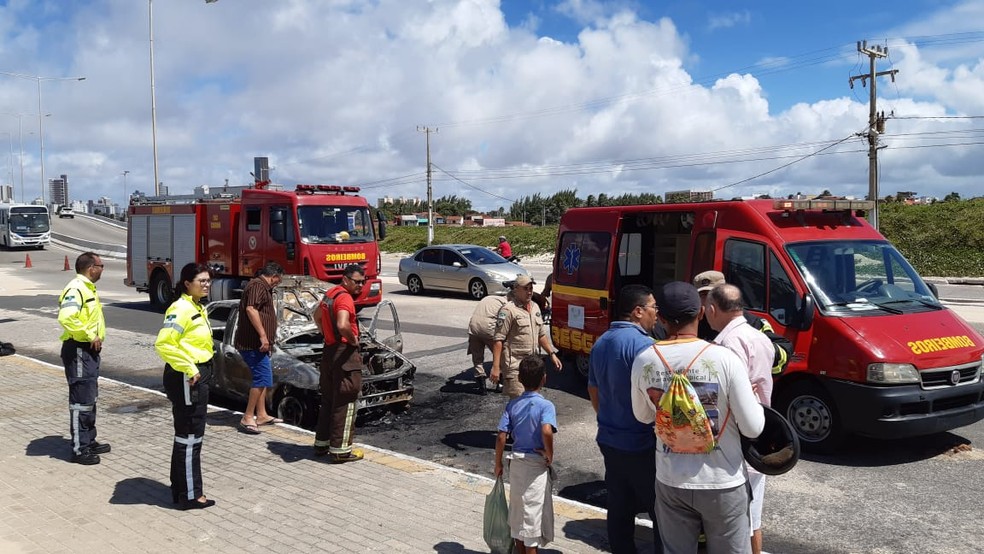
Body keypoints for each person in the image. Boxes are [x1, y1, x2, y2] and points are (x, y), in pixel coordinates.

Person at [630, 281, 765, 553]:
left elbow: (643, 416)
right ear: (701, 313)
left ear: (662, 318)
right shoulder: (724, 359)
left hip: (671, 479)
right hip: (723, 480)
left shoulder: (645, 359)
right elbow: (753, 428)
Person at [588, 284, 662, 554]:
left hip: (609, 439)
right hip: (640, 442)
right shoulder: (645, 346)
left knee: (619, 506)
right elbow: (659, 399)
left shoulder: (601, 342)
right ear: (638, 311)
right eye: (654, 307)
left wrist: (607, 419)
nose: (657, 314)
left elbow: (593, 389)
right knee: (659, 510)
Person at [705, 284, 775, 554]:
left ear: (712, 309)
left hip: (733, 442)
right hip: (760, 432)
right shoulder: (760, 337)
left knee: (730, 522)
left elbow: (724, 399)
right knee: (753, 518)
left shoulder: (724, 346)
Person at [154, 263, 217, 510]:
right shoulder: (181, 309)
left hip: (195, 375)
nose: (206, 284)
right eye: (201, 280)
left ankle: (181, 489)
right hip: (187, 377)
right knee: (191, 436)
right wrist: (190, 368)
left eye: (208, 280)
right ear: (187, 283)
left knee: (186, 435)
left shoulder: (196, 307)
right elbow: (164, 344)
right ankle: (191, 495)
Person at [494, 355, 557, 553]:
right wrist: (549, 454)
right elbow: (546, 430)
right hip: (535, 465)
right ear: (544, 379)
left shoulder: (513, 405)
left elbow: (501, 437)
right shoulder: (546, 406)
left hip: (517, 463)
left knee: (518, 512)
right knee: (532, 518)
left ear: (519, 379)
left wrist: (498, 464)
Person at [58, 252, 108, 465]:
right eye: (101, 265)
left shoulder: (87, 288)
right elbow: (67, 318)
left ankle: (89, 439)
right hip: (79, 349)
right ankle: (80, 449)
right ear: (91, 268)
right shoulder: (76, 288)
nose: (102, 269)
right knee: (81, 400)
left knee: (89, 398)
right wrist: (89, 336)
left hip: (88, 352)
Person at [313, 264, 365, 463]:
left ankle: (322, 444)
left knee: (328, 400)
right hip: (344, 355)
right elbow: (343, 324)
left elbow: (316, 316)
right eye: (357, 282)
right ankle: (340, 451)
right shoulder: (345, 298)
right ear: (345, 279)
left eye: (363, 281)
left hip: (329, 352)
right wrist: (353, 340)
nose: (360, 285)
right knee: (346, 401)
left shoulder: (331, 293)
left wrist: (326, 334)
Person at [693, 270, 793, 375]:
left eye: (714, 294)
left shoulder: (751, 322)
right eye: (703, 295)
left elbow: (783, 354)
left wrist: (752, 356)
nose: (709, 299)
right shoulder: (692, 323)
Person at [234, 262, 285, 434]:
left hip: (260, 344)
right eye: (278, 280)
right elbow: (251, 309)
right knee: (262, 378)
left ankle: (261, 414)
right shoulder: (257, 286)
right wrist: (263, 336)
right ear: (274, 276)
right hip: (253, 343)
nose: (278, 283)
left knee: (262, 378)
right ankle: (248, 417)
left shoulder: (263, 287)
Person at [491, 275, 562, 398]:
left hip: (532, 366)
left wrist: (552, 354)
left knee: (531, 402)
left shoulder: (534, 307)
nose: (529, 292)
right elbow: (498, 340)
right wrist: (496, 367)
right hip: (515, 366)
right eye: (525, 289)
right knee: (519, 403)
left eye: (531, 288)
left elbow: (541, 334)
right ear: (516, 289)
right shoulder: (508, 311)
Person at [467, 290, 512, 394]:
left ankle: (482, 386)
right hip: (488, 329)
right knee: (500, 354)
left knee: (477, 357)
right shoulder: (506, 305)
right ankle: (500, 383)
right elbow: (504, 322)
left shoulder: (487, 298)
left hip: (473, 328)